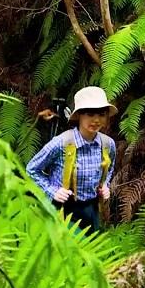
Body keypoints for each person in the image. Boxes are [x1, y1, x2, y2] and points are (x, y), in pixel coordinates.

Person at [27, 86, 117, 232]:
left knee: (89, 250)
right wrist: (52, 191)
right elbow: (32, 169)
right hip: (63, 210)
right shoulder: (61, 143)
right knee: (71, 250)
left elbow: (110, 167)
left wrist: (105, 185)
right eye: (90, 114)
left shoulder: (107, 144)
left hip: (91, 210)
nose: (96, 120)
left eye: (101, 114)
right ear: (79, 115)